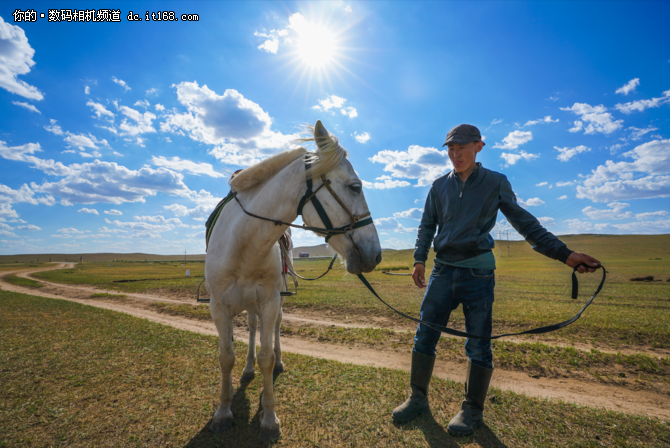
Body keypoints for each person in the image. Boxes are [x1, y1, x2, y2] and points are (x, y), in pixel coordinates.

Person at [391, 124, 601, 435]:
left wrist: (566, 255)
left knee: (478, 344)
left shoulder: (495, 182)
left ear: (479, 146)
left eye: (462, 147)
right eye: (450, 148)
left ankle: (472, 411)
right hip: (442, 271)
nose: (455, 153)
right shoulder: (438, 186)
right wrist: (419, 259)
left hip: (478, 273)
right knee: (424, 336)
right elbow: (426, 226)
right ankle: (417, 398)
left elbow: (525, 224)